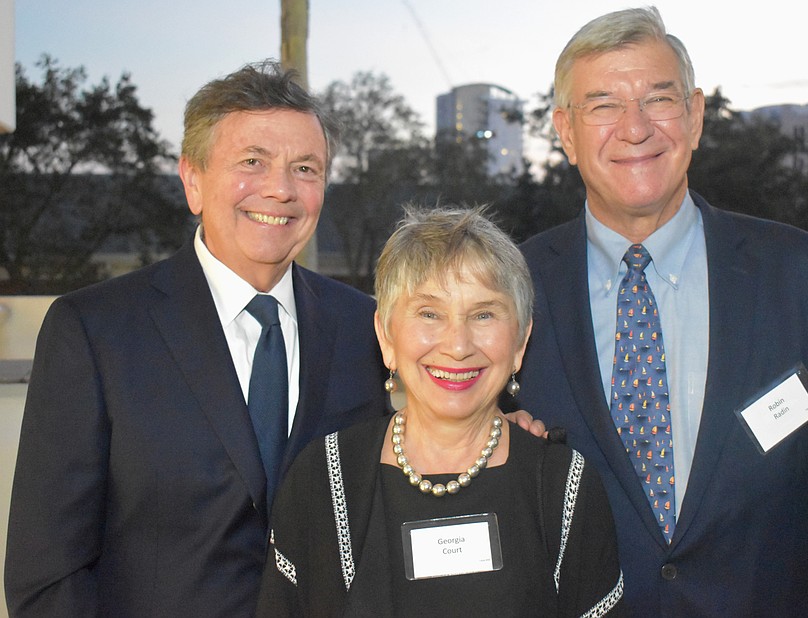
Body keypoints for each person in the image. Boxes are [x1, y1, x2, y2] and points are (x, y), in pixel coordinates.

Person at [4, 61, 387, 616]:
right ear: (193, 181)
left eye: (305, 168)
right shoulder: (95, 332)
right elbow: (47, 575)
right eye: (252, 162)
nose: (280, 189)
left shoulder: (366, 328)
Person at [516, 6, 808, 616]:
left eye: (658, 100)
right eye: (603, 105)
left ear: (695, 117)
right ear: (565, 131)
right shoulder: (502, 295)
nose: (635, 128)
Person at [255, 206, 624, 617]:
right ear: (386, 336)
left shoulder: (564, 486)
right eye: (429, 313)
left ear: (520, 342)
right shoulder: (320, 480)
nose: (458, 344)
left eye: (483, 314)